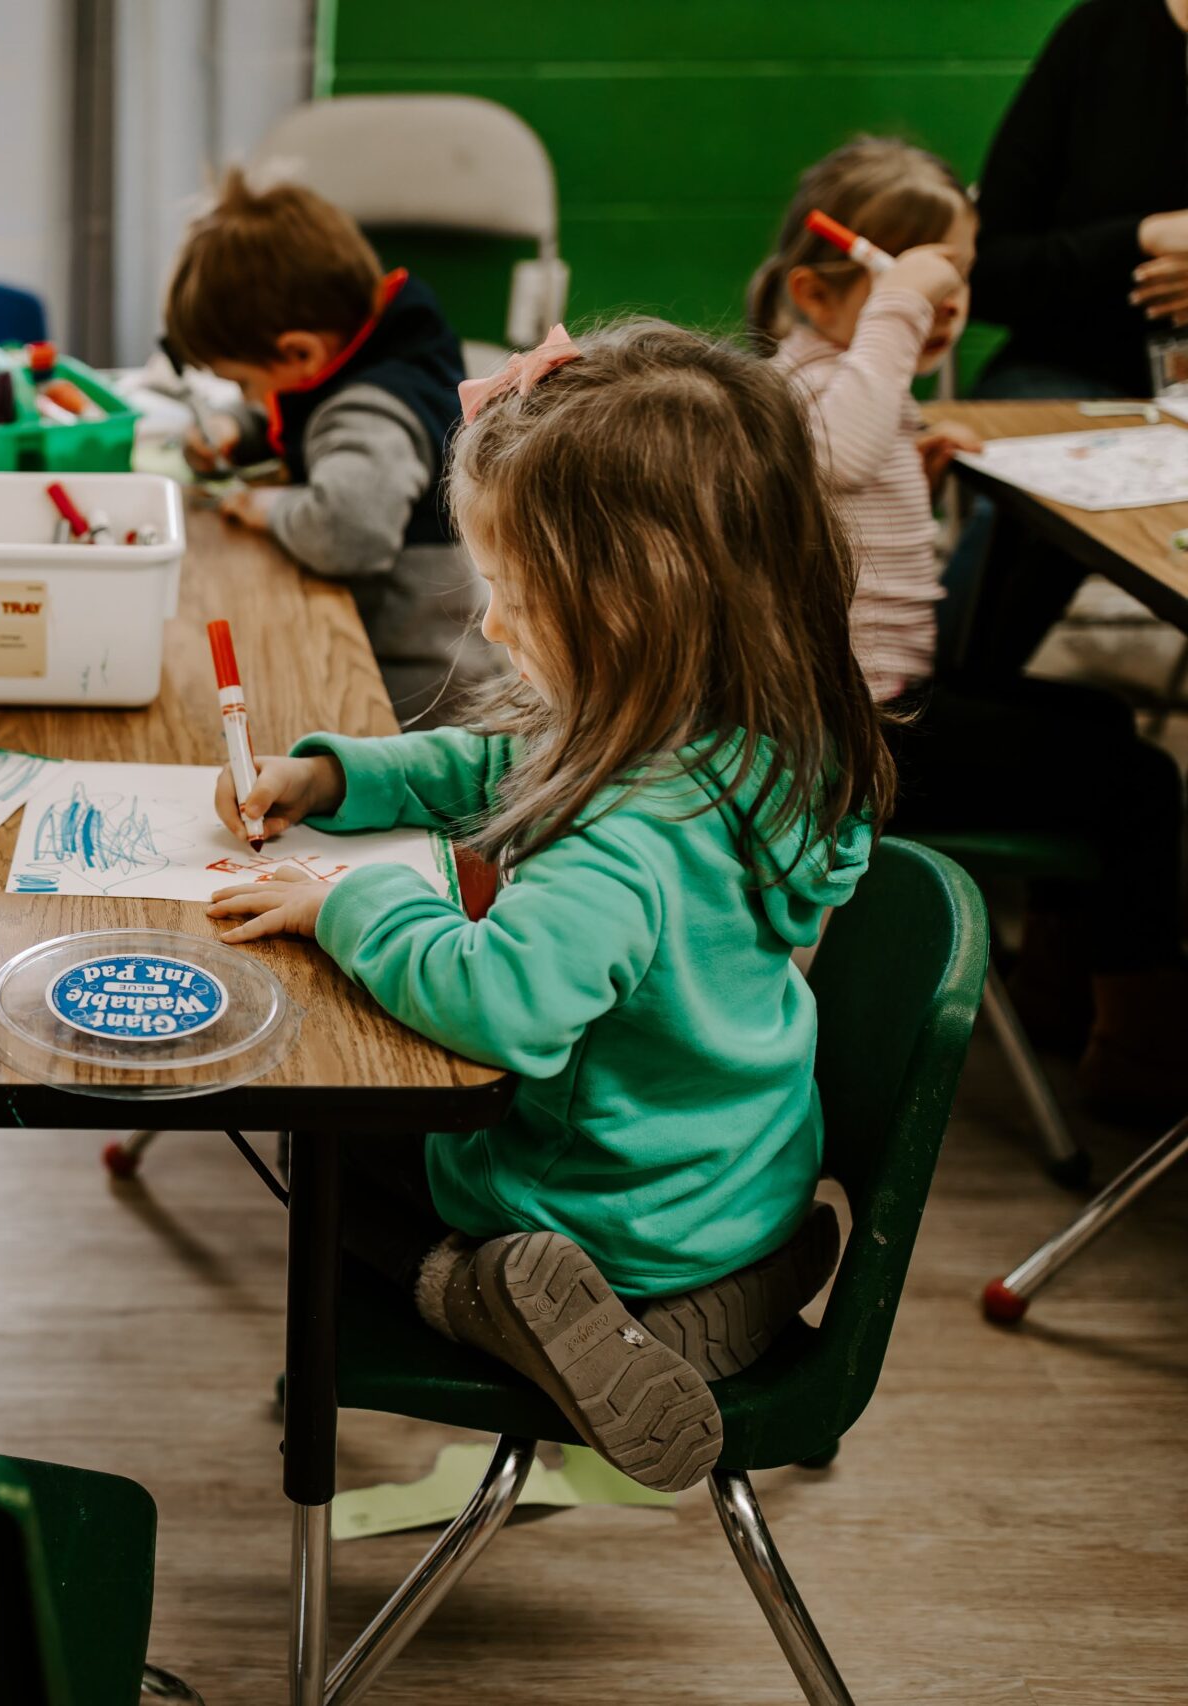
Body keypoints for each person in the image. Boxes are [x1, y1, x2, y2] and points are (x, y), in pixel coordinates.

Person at [204, 322, 867, 1492]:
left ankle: (494, 1299)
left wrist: (345, 901)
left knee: (327, 1156)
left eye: (512, 591)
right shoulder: (751, 744)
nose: (492, 623)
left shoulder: (620, 841)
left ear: (636, 603)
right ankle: (739, 1287)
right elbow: (498, 763)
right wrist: (339, 777)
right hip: (732, 1173)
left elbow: (498, 1001)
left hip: (591, 1208)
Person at [757, 138, 1188, 1120]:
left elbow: (850, 491)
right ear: (820, 297)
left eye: (955, 286)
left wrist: (922, 469)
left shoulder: (845, 388)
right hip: (859, 738)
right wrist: (901, 312)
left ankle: (1063, 991)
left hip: (885, 704)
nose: (940, 311)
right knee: (1140, 782)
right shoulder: (808, 388)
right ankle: (1140, 1045)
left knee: (1101, 721)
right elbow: (841, 446)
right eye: (917, 290)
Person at [163, 168, 501, 726]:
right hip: (391, 656)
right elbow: (310, 414)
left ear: (300, 354)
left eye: (243, 382)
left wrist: (262, 506)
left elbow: (347, 532)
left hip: (413, 696)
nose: (247, 396)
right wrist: (238, 429)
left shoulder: (368, 411)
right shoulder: (385, 340)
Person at [964, 0, 1188, 664]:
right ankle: (936, 711)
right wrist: (1140, 237)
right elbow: (990, 272)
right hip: (1074, 369)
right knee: (1028, 507)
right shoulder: (1103, 34)